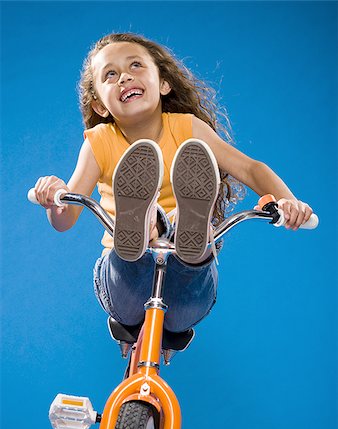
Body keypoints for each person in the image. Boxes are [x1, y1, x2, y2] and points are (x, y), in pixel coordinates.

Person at [34, 32, 313, 333]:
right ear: (100, 106)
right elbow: (65, 219)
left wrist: (287, 202)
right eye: (110, 74)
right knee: (132, 256)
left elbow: (250, 168)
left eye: (136, 66)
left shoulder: (187, 129)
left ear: (164, 83)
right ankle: (142, 229)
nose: (124, 78)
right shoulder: (99, 142)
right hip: (124, 285)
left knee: (192, 252)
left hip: (182, 290)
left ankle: (190, 236)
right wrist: (55, 198)